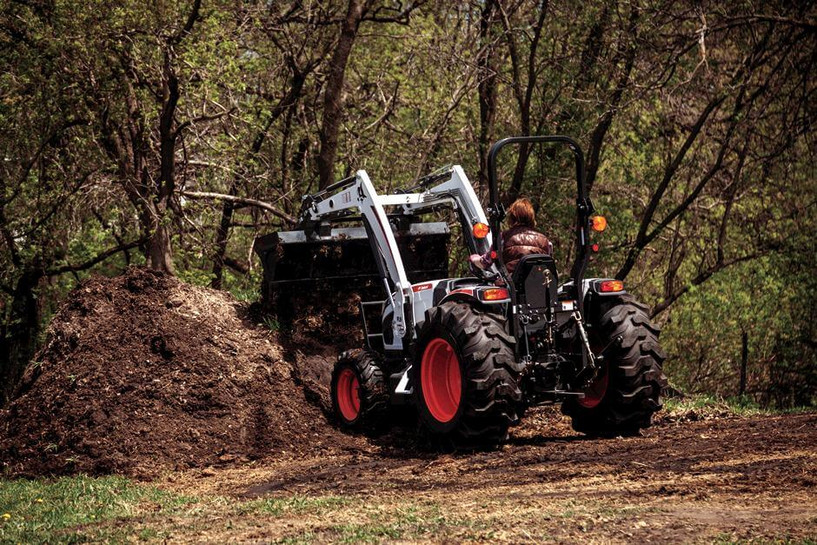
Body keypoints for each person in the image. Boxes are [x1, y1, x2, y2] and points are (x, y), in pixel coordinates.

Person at [469, 198, 552, 275]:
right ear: (531, 217)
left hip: (511, 288)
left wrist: (473, 257)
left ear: (512, 217)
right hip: (538, 289)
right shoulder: (545, 241)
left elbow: (485, 263)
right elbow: (548, 266)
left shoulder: (504, 237)